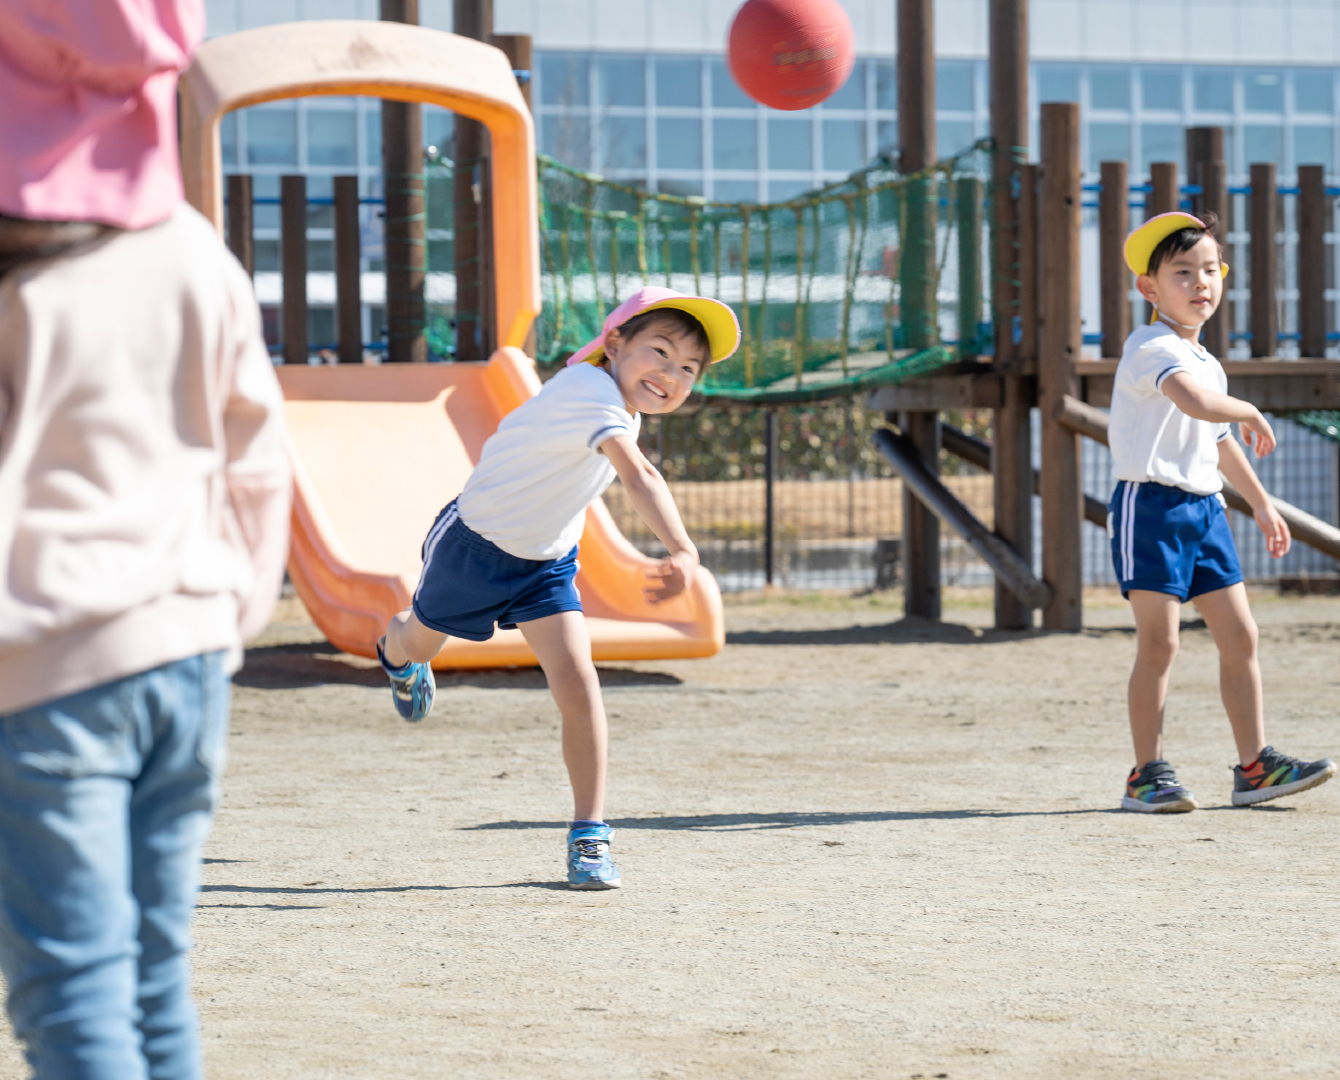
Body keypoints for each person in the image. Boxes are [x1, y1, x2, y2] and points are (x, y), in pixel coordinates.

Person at [0, 2, 292, 1077]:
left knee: (74, 1000)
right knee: (154, 978)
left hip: (40, 674)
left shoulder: (16, 271)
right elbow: (257, 460)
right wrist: (222, 621)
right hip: (186, 654)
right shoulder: (187, 249)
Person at [377, 286, 739, 888]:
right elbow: (638, 475)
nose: (671, 374)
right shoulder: (587, 391)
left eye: (688, 369)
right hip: (474, 548)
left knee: (578, 684)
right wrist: (681, 546)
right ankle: (395, 651)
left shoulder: (624, 408)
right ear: (614, 344)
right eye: (660, 351)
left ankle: (588, 836)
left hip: (545, 564)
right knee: (420, 641)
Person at [1110, 211, 1334, 813]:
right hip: (1150, 508)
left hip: (1206, 511)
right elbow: (1192, 401)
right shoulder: (1149, 345)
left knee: (1240, 635)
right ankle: (1145, 776)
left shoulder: (1208, 360)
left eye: (1210, 270)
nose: (1200, 282)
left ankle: (1255, 766)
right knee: (1160, 644)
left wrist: (1262, 505)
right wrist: (1245, 408)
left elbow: (1217, 440)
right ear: (1150, 289)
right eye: (1183, 272)